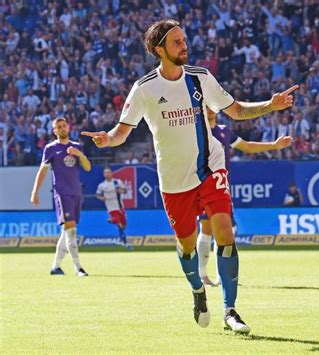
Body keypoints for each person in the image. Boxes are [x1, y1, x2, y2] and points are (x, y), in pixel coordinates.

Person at [82, 19, 298, 334]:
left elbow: (235, 110)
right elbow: (121, 132)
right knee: (186, 247)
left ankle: (231, 310)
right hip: (173, 181)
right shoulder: (144, 88)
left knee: (225, 230)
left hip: (210, 166)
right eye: (177, 42)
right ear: (159, 50)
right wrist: (106, 139)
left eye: (184, 40)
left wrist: (271, 105)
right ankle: (198, 290)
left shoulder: (201, 78)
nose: (185, 45)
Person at [197, 108, 293, 287]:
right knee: (206, 229)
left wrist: (274, 145)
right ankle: (202, 275)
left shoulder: (225, 131)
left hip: (221, 187)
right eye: (206, 106)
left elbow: (247, 146)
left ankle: (222, 276)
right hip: (202, 186)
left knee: (225, 232)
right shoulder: (196, 131)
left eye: (212, 106)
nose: (209, 109)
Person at [30, 117, 91, 276]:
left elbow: (88, 167)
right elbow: (42, 171)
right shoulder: (50, 148)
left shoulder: (77, 146)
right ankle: (78, 268)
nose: (62, 128)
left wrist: (80, 155)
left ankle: (55, 267)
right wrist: (35, 192)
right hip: (62, 193)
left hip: (76, 192)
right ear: (54, 131)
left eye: (64, 126)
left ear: (68, 128)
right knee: (71, 230)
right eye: (59, 127)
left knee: (67, 231)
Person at [96, 167, 132, 250]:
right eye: (105, 173)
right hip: (111, 207)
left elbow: (125, 190)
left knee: (123, 226)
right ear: (104, 174)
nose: (107, 174)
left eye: (108, 172)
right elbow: (97, 195)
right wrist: (101, 198)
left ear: (111, 173)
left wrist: (121, 191)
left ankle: (113, 220)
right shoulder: (102, 185)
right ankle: (126, 244)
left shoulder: (117, 182)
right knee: (119, 225)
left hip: (120, 206)